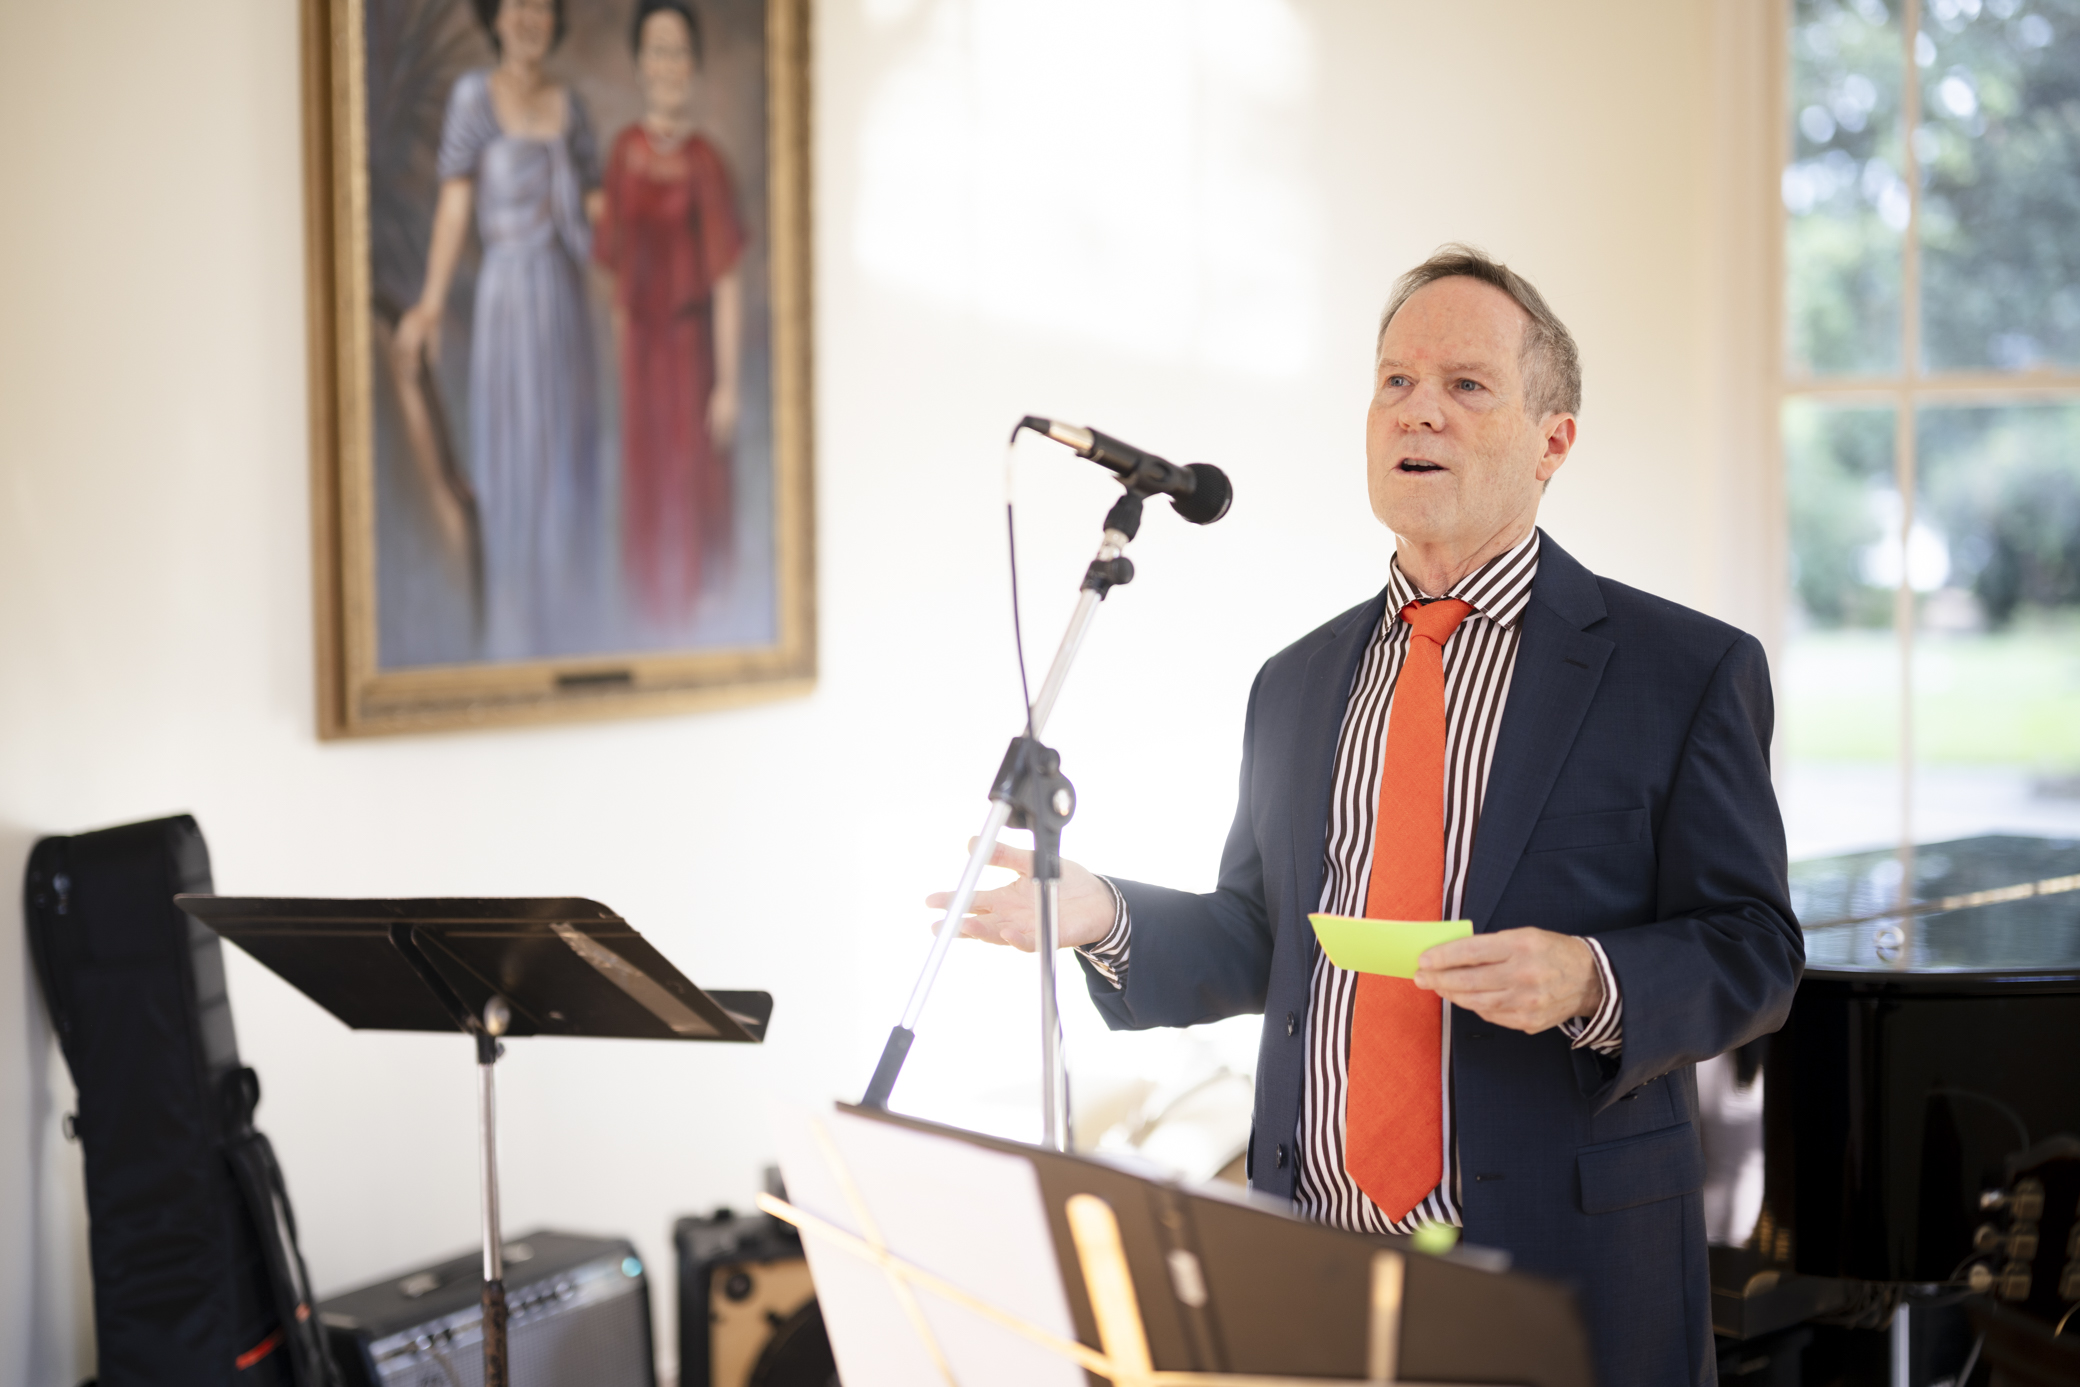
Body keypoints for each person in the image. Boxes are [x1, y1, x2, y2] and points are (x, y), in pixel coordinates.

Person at [933, 246, 1803, 1386]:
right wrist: (1101, 913)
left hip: (1558, 1267)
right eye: (1394, 381)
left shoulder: (1681, 670)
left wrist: (1593, 979)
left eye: (1466, 384)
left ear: (1553, 442)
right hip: (1314, 1261)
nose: (1418, 410)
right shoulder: (1294, 683)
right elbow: (1262, 939)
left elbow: (1757, 951)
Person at [393, 0, 605, 661]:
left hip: (565, 310)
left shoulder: (573, 108)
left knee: (565, 460)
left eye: (541, 7)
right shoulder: (472, 99)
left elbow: (600, 216)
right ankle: (513, 633)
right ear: (496, 17)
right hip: (508, 305)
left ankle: (568, 628)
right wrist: (427, 305)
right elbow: (455, 207)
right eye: (516, 7)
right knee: (514, 459)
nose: (528, 20)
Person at [594, 0, 745, 627]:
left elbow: (728, 279)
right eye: (656, 49)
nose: (667, 63)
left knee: (692, 480)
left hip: (691, 351)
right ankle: (645, 614)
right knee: (646, 480)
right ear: (638, 63)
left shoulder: (706, 161)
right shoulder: (623, 152)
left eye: (678, 50)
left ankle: (691, 615)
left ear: (694, 64)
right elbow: (613, 263)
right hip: (641, 351)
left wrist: (729, 384)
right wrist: (621, 341)